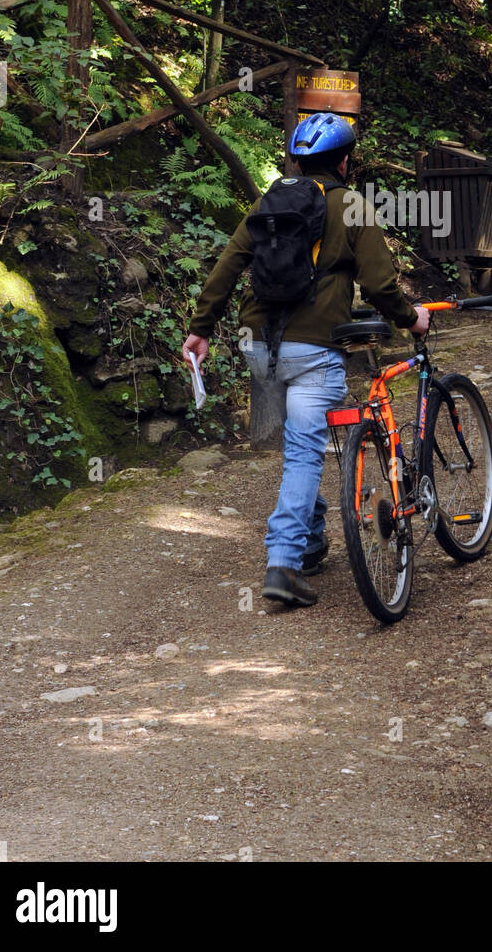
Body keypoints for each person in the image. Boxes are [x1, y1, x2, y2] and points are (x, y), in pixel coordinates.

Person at [181, 112, 430, 607]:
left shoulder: (269, 202)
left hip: (258, 345)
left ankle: (311, 540)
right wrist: (410, 318)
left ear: (297, 161)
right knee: (303, 452)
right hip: (314, 351)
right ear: (344, 160)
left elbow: (229, 263)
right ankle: (284, 564)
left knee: (298, 445)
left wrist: (200, 328)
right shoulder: (353, 205)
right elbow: (379, 284)